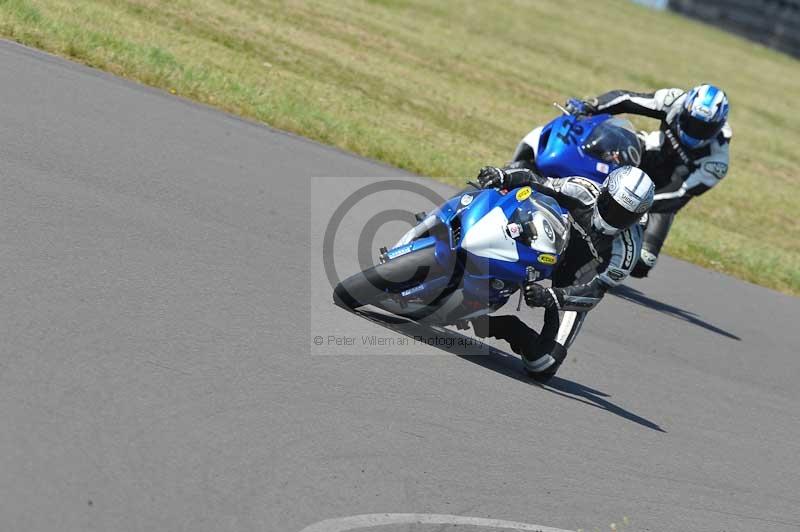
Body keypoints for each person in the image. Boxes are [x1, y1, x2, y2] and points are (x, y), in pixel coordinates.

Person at [471, 164, 654, 382]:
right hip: (547, 242)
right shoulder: (581, 189)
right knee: (498, 205)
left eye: (624, 216)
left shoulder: (626, 251)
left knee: (543, 364)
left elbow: (594, 293)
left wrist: (553, 296)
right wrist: (504, 177)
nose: (614, 217)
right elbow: (536, 181)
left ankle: (499, 325)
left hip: (571, 284)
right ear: (604, 191)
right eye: (610, 206)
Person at [565, 84, 730, 277]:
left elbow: (679, 194)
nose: (695, 131)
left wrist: (639, 203)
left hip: (662, 197)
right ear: (685, 109)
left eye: (704, 128)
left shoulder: (717, 161)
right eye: (691, 122)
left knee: (643, 262)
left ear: (717, 127)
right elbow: (627, 99)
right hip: (647, 153)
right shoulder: (674, 101)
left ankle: (598, 259)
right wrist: (592, 106)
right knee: (608, 147)